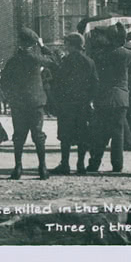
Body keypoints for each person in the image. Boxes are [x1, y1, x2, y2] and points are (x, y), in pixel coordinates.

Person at [1, 26, 56, 180]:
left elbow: (4, 81)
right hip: (36, 102)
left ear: (20, 42)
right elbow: (54, 61)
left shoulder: (13, 60)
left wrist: (10, 97)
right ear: (33, 44)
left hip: (18, 102)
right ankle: (42, 168)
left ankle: (18, 168)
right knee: (38, 135)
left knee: (19, 136)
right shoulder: (36, 59)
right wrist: (43, 46)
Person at [88, 23, 131, 172]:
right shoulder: (129, 54)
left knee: (100, 133)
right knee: (118, 133)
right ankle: (117, 165)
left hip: (103, 96)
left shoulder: (100, 55)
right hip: (121, 97)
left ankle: (94, 163)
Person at [50, 32, 99, 175]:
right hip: (83, 104)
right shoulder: (89, 62)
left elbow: (58, 83)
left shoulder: (66, 62)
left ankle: (65, 164)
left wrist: (57, 100)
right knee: (83, 134)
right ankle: (80, 164)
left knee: (65, 135)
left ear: (71, 45)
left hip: (67, 104)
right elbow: (95, 84)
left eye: (66, 43)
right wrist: (89, 99)